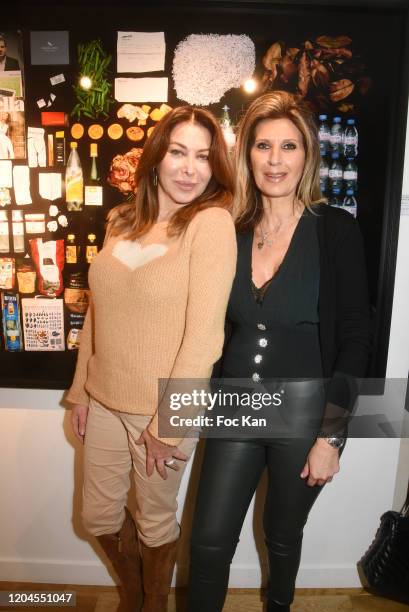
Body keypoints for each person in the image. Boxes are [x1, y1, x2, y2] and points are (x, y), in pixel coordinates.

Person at [187, 91, 372, 612]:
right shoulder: (229, 228)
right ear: (246, 153)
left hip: (306, 414)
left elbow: (356, 335)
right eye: (262, 145)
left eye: (288, 146)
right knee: (207, 544)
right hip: (235, 408)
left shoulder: (335, 228)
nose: (275, 160)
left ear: (307, 154)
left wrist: (332, 437)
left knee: (281, 539)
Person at [66, 105, 237, 612]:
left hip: (161, 410)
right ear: (157, 157)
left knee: (155, 521)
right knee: (97, 517)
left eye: (204, 157)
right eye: (178, 152)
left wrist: (168, 423)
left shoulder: (210, 224)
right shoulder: (122, 219)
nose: (190, 169)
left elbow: (204, 337)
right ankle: (136, 594)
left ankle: (150, 604)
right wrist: (79, 392)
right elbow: (99, 313)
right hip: (103, 400)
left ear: (215, 167)